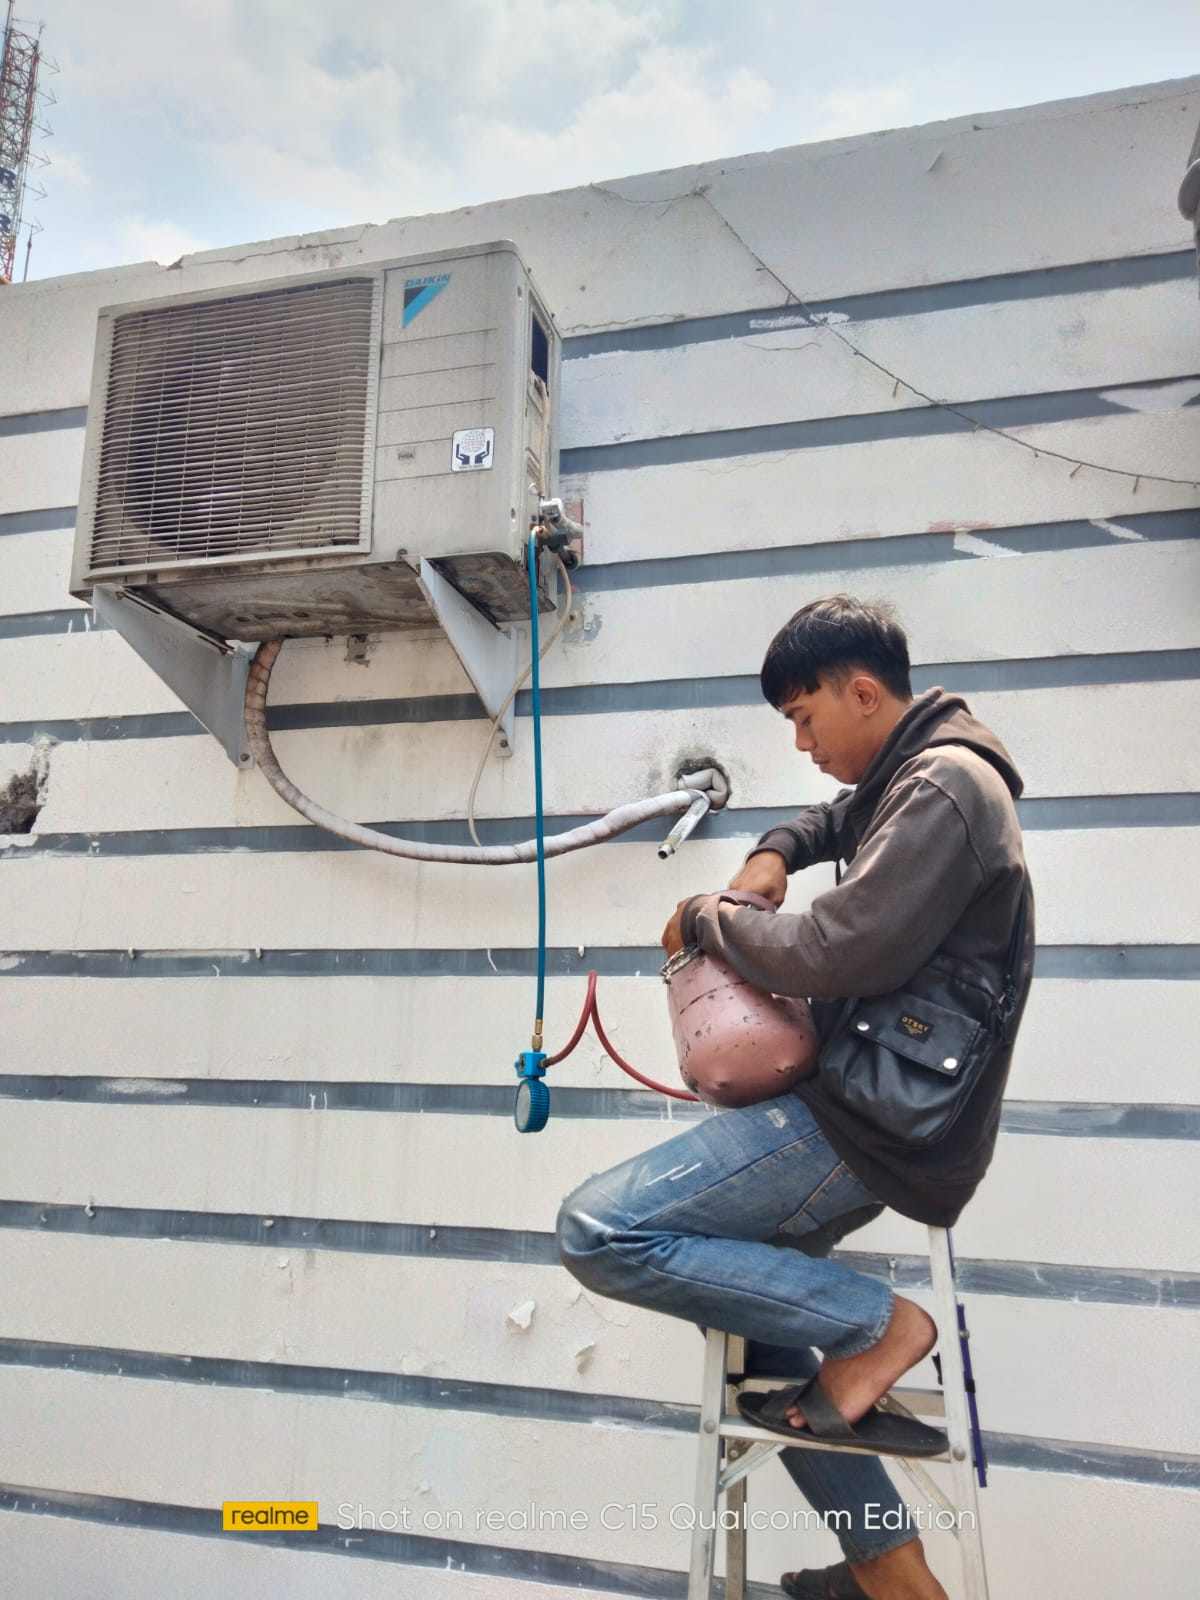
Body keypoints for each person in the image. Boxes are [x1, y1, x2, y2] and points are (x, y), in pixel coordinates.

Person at [556, 595, 1034, 1600]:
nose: (803, 743)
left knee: (599, 1228)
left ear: (863, 692)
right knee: (739, 1314)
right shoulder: (909, 776)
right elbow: (826, 821)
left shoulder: (945, 790)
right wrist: (774, 852)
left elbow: (835, 950)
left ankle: (879, 1323)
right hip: (872, 1110)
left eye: (805, 717)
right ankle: (888, 1570)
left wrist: (706, 916)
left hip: (864, 1124)